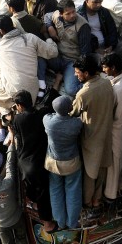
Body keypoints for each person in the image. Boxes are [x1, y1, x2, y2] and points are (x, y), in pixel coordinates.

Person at [0, 15, 58, 114]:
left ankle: (5, 112)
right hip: (32, 92)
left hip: (16, 96)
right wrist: (49, 40)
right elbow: (53, 52)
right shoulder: (30, 38)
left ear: (1, 31)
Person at [70, 55, 114, 220]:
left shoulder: (84, 93)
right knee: (101, 169)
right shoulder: (107, 83)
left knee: (90, 173)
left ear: (86, 73)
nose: (76, 75)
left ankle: (88, 203)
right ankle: (97, 200)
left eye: (77, 72)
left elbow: (72, 113)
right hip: (106, 134)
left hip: (91, 138)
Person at [11, 90, 57, 233]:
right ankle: (48, 222)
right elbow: (50, 103)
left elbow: (17, 134)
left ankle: (47, 223)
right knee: (43, 193)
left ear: (19, 105)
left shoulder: (18, 119)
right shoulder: (41, 114)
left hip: (25, 163)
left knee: (36, 192)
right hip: (39, 162)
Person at [43, 96, 83, 230]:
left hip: (53, 163)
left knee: (55, 191)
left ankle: (60, 222)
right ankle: (72, 223)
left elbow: (48, 115)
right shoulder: (76, 123)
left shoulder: (49, 122)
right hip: (72, 163)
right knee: (73, 192)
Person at [42, 0, 92, 96]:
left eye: (73, 11)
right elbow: (47, 16)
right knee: (39, 56)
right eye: (68, 13)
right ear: (61, 14)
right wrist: (50, 27)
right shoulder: (56, 16)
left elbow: (85, 53)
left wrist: (80, 70)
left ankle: (94, 84)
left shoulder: (83, 26)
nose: (72, 15)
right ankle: (41, 86)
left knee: (71, 90)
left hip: (72, 61)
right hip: (57, 55)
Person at [100, 53, 122, 204]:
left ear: (113, 68)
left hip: (115, 129)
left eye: (105, 67)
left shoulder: (117, 90)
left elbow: (116, 117)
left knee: (114, 162)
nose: (103, 70)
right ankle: (120, 185)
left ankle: (111, 194)